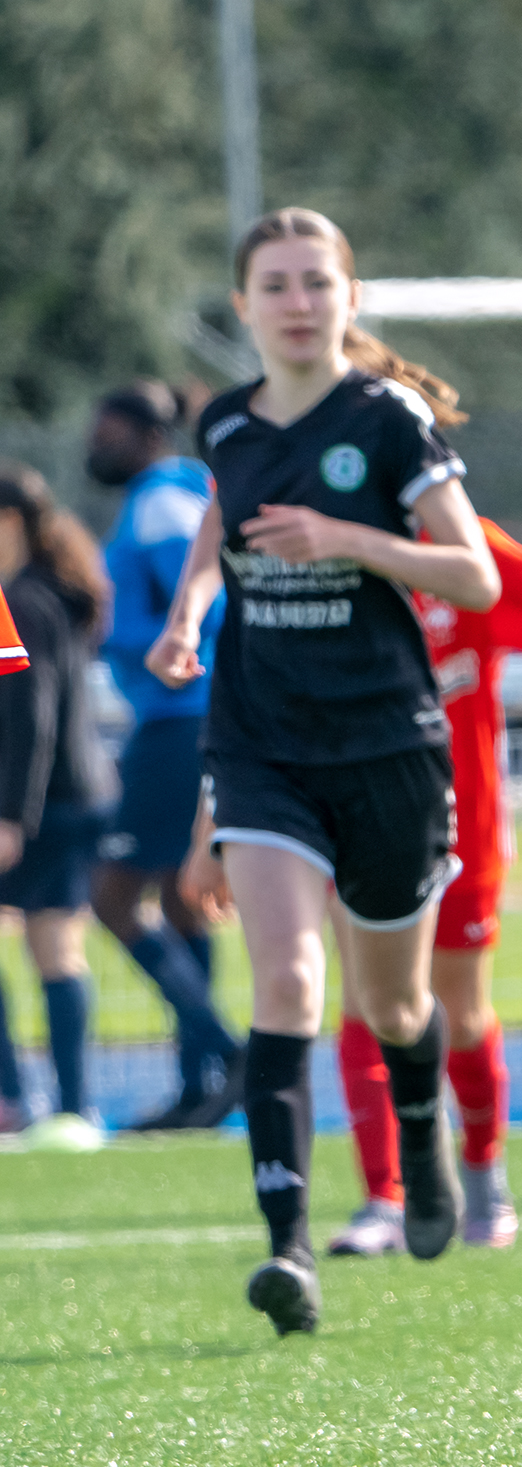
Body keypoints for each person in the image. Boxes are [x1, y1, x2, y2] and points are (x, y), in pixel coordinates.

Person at [146, 207, 504, 1336]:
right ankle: (289, 1249)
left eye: (317, 282)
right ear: (243, 304)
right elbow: (223, 523)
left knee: (393, 1001)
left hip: (389, 745)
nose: (298, 302)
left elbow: (476, 577)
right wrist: (189, 610)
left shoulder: (387, 420)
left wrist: (352, 539)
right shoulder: (225, 424)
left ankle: (422, 1136)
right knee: (289, 984)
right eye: (276, 284)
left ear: (349, 298)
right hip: (260, 742)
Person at [329, 520, 522, 1256]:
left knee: (460, 1008)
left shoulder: (461, 543)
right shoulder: (322, 539)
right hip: (353, 813)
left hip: (464, 825)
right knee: (365, 1002)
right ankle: (385, 1199)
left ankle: (484, 1172)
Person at [86, 381, 245, 1131]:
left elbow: (209, 598)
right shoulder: (161, 498)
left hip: (180, 718)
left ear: (147, 434)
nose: (96, 442)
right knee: (183, 898)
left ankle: (228, 1053)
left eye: (107, 430)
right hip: (180, 715)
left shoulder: (161, 503)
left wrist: (139, 637)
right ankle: (197, 1085)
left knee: (113, 896)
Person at [0, 463, 120, 1143]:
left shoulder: (23, 599)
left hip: (49, 805)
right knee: (55, 947)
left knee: (54, 947)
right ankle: (56, 1102)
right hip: (71, 796)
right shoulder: (44, 592)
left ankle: (47, 1102)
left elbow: (31, 716)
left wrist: (11, 816)